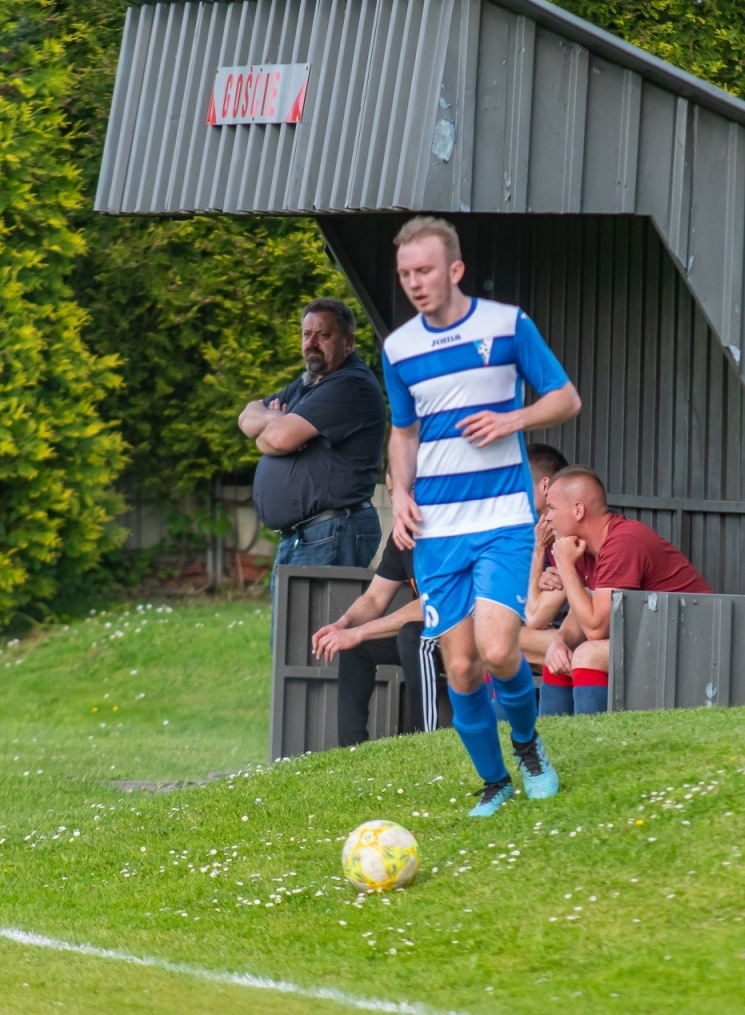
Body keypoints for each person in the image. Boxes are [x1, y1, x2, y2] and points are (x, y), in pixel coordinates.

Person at [382, 216, 582, 817]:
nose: (414, 283)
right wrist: (400, 493)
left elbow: (566, 398)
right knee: (463, 665)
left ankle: (528, 748)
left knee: (498, 649)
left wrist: (513, 419)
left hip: (502, 518)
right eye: (405, 274)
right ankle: (495, 782)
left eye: (424, 271)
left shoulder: (506, 325)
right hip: (437, 531)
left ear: (455, 269)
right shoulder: (399, 349)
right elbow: (403, 432)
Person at [240, 298, 385, 588]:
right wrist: (275, 418)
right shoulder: (308, 383)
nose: (311, 343)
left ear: (349, 342)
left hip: (332, 531)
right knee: (294, 619)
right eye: (307, 334)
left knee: (318, 619)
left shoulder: (349, 384)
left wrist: (276, 427)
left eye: (323, 335)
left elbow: (275, 440)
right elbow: (246, 417)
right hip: (309, 535)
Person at [543, 466, 711, 715]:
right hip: (652, 639)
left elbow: (596, 629)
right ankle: (551, 739)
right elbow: (581, 610)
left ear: (578, 510)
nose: (547, 518)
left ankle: (594, 737)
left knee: (588, 654)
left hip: (693, 645)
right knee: (557, 657)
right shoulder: (582, 547)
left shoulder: (622, 541)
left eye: (552, 508)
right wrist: (560, 641)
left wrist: (565, 566)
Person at [310, 537, 444, 745]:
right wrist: (343, 625)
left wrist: (359, 632)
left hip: (470, 637)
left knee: (412, 636)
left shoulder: (447, 533)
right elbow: (374, 598)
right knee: (356, 646)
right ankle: (351, 751)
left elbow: (434, 605)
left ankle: (425, 744)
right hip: (435, 636)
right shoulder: (403, 535)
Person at [519, 443, 571, 708]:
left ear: (545, 485)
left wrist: (539, 550)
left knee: (497, 638)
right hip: (569, 630)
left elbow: (534, 617)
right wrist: (537, 577)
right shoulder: (543, 527)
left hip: (610, 637)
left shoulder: (567, 528)